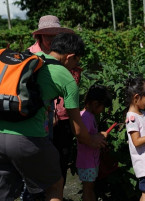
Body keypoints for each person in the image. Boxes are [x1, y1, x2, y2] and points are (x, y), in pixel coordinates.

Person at [0, 33, 106, 201]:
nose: (75, 66)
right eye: (76, 61)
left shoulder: (30, 59)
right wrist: (93, 140)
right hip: (29, 139)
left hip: (1, 134)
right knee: (55, 185)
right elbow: (78, 130)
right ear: (70, 56)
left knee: (4, 193)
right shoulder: (66, 78)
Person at [28, 14, 83, 188]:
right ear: (39, 36)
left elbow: (71, 81)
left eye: (55, 35)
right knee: (37, 167)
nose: (51, 39)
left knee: (60, 161)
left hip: (65, 116)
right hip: (38, 119)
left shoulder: (66, 53)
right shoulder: (30, 56)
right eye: (47, 35)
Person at [76, 84, 112, 201]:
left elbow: (89, 135)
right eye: (102, 107)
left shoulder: (87, 115)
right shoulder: (86, 117)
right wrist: (99, 136)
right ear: (96, 104)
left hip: (89, 161)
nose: (103, 110)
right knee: (88, 189)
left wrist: (99, 135)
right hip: (87, 162)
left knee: (90, 188)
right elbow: (83, 138)